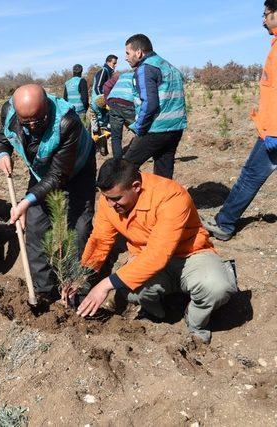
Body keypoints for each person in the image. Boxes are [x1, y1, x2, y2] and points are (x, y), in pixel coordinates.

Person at [70, 159, 237, 344]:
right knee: (130, 291)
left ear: (136, 186)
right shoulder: (109, 200)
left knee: (217, 288)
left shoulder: (170, 196)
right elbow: (101, 240)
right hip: (147, 258)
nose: (110, 204)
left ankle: (196, 322)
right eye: (106, 197)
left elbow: (158, 254)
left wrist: (104, 285)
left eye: (116, 199)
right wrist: (81, 277)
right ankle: (158, 313)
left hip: (190, 255)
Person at [0, 84, 95, 300]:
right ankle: (43, 290)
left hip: (76, 169)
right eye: (25, 122)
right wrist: (1, 152)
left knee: (80, 227)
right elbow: (3, 137)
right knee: (35, 227)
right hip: (41, 171)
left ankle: (77, 290)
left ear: (47, 107)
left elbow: (59, 176)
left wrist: (26, 202)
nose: (31, 126)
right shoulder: (10, 113)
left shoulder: (68, 122)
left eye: (38, 121)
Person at [203, 1, 277, 241]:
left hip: (272, 132)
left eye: (266, 15)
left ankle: (224, 224)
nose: (263, 20)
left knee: (250, 176)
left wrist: (273, 129)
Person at [123, 34, 187, 179]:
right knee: (163, 174)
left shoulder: (145, 68)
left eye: (128, 53)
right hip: (175, 128)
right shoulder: (168, 66)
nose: (126, 57)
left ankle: (125, 200)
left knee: (125, 168)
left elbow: (150, 103)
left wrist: (139, 127)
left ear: (138, 52)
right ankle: (164, 201)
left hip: (155, 129)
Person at [90, 55, 118, 155]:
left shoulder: (108, 72)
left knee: (99, 127)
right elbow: (98, 87)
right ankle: (109, 153)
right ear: (108, 62)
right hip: (98, 103)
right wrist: (103, 99)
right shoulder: (103, 71)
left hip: (98, 103)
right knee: (106, 126)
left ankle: (102, 151)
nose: (115, 66)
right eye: (114, 63)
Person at [103, 72, 136, 159]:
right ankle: (141, 154)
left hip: (113, 101)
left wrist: (107, 102)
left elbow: (106, 85)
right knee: (140, 129)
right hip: (127, 102)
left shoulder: (121, 76)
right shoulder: (139, 76)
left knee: (116, 136)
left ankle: (117, 160)